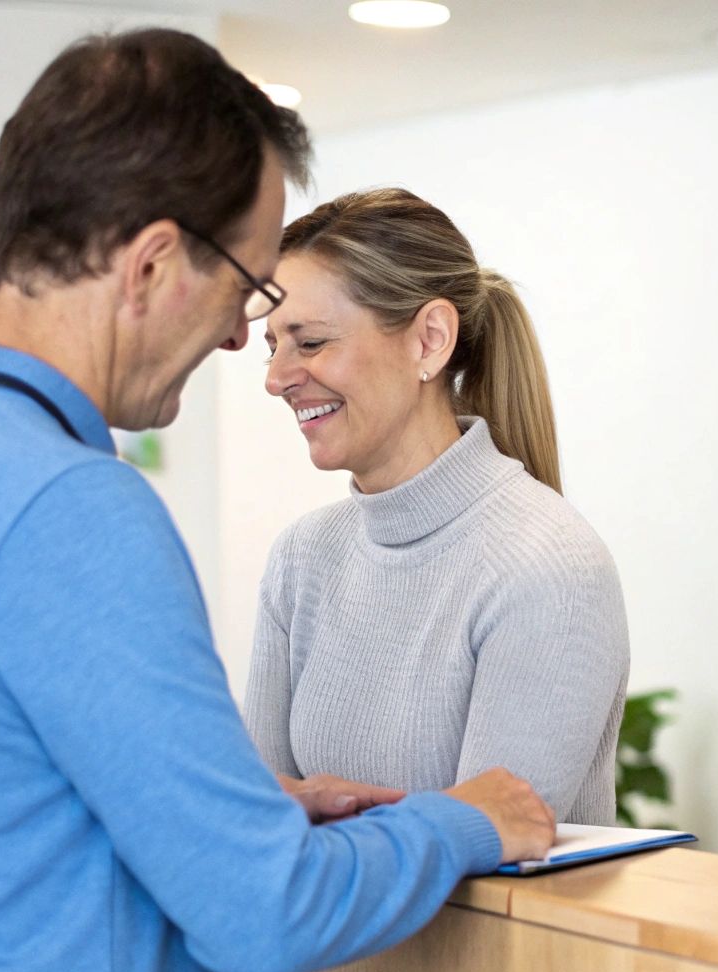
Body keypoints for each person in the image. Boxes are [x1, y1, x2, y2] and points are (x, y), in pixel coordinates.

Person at [0, 29, 554, 972]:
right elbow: (267, 910)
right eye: (247, 290)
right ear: (154, 264)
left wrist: (225, 810)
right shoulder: (69, 506)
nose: (242, 339)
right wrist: (458, 822)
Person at [245, 188, 630, 825]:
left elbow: (494, 846)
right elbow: (255, 825)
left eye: (308, 343)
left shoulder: (548, 566)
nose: (276, 377)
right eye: (273, 346)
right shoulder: (301, 558)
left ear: (429, 340)